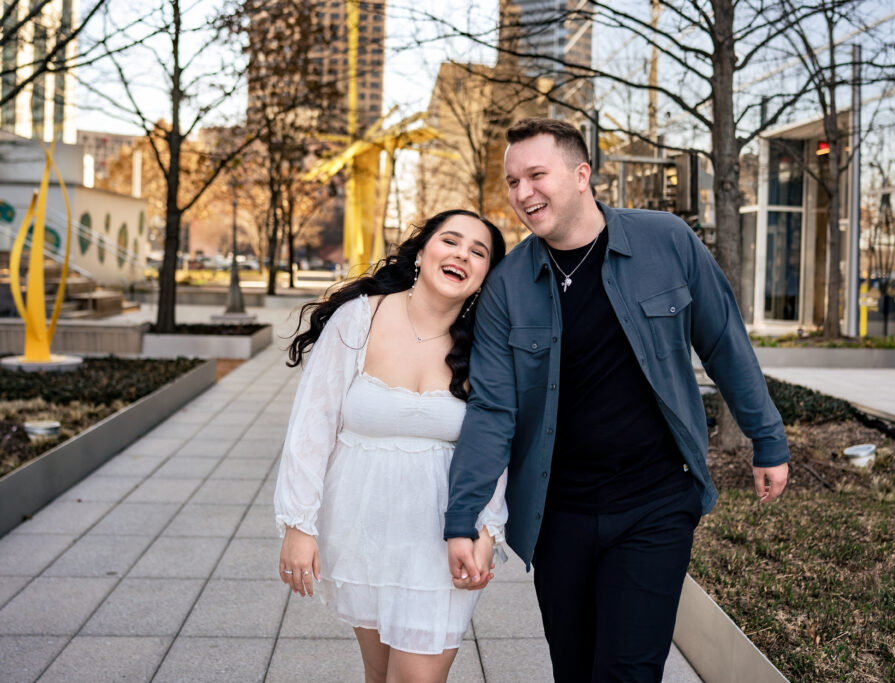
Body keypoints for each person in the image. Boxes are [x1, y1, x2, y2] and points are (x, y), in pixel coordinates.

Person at [444, 118, 791, 682]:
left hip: (654, 502)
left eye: (537, 175)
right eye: (512, 182)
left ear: (582, 175)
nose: (522, 193)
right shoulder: (507, 286)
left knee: (628, 672)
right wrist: (463, 517)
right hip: (559, 515)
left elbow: (724, 340)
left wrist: (767, 438)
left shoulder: (666, 240)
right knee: (575, 670)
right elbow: (493, 411)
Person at [275, 209, 508, 683]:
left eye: (478, 252)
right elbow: (311, 426)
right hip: (361, 528)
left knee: (415, 678)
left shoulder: (488, 342)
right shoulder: (359, 319)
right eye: (451, 241)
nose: (462, 254)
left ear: (485, 274)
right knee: (380, 675)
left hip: (447, 536)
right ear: (422, 253)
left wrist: (488, 531)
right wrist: (299, 525)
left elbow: (497, 443)